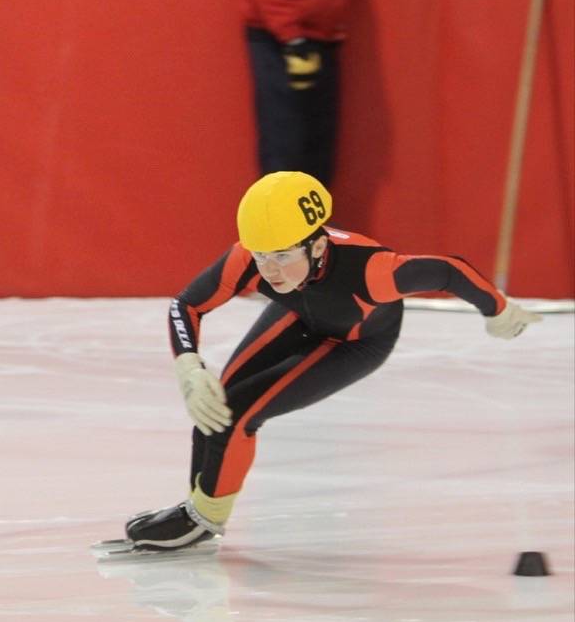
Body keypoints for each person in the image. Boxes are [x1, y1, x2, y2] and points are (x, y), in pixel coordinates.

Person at [124, 171, 540, 551]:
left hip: (357, 341)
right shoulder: (249, 258)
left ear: (318, 244)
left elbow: (449, 271)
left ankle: (204, 518)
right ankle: (198, 505)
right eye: (262, 255)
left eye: (284, 255)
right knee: (216, 399)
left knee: (238, 413)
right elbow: (187, 306)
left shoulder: (373, 272)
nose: (270, 271)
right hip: (299, 314)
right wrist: (189, 365)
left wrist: (498, 310)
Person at [243, 0, 349, 186]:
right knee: (285, 149)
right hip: (281, 41)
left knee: (318, 153)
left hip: (322, 38)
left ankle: (310, 216)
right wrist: (292, 37)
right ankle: (278, 216)